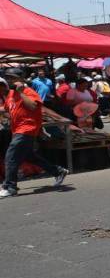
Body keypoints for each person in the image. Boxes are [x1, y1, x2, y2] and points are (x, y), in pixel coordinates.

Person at [0, 69, 68, 198]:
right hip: (18, 129)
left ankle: (10, 186)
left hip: (27, 129)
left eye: (12, 77)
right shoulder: (11, 94)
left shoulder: (28, 92)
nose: (9, 80)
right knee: (29, 156)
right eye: (8, 77)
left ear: (21, 78)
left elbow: (33, 107)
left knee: (11, 156)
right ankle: (58, 171)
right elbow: (7, 108)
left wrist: (21, 93)